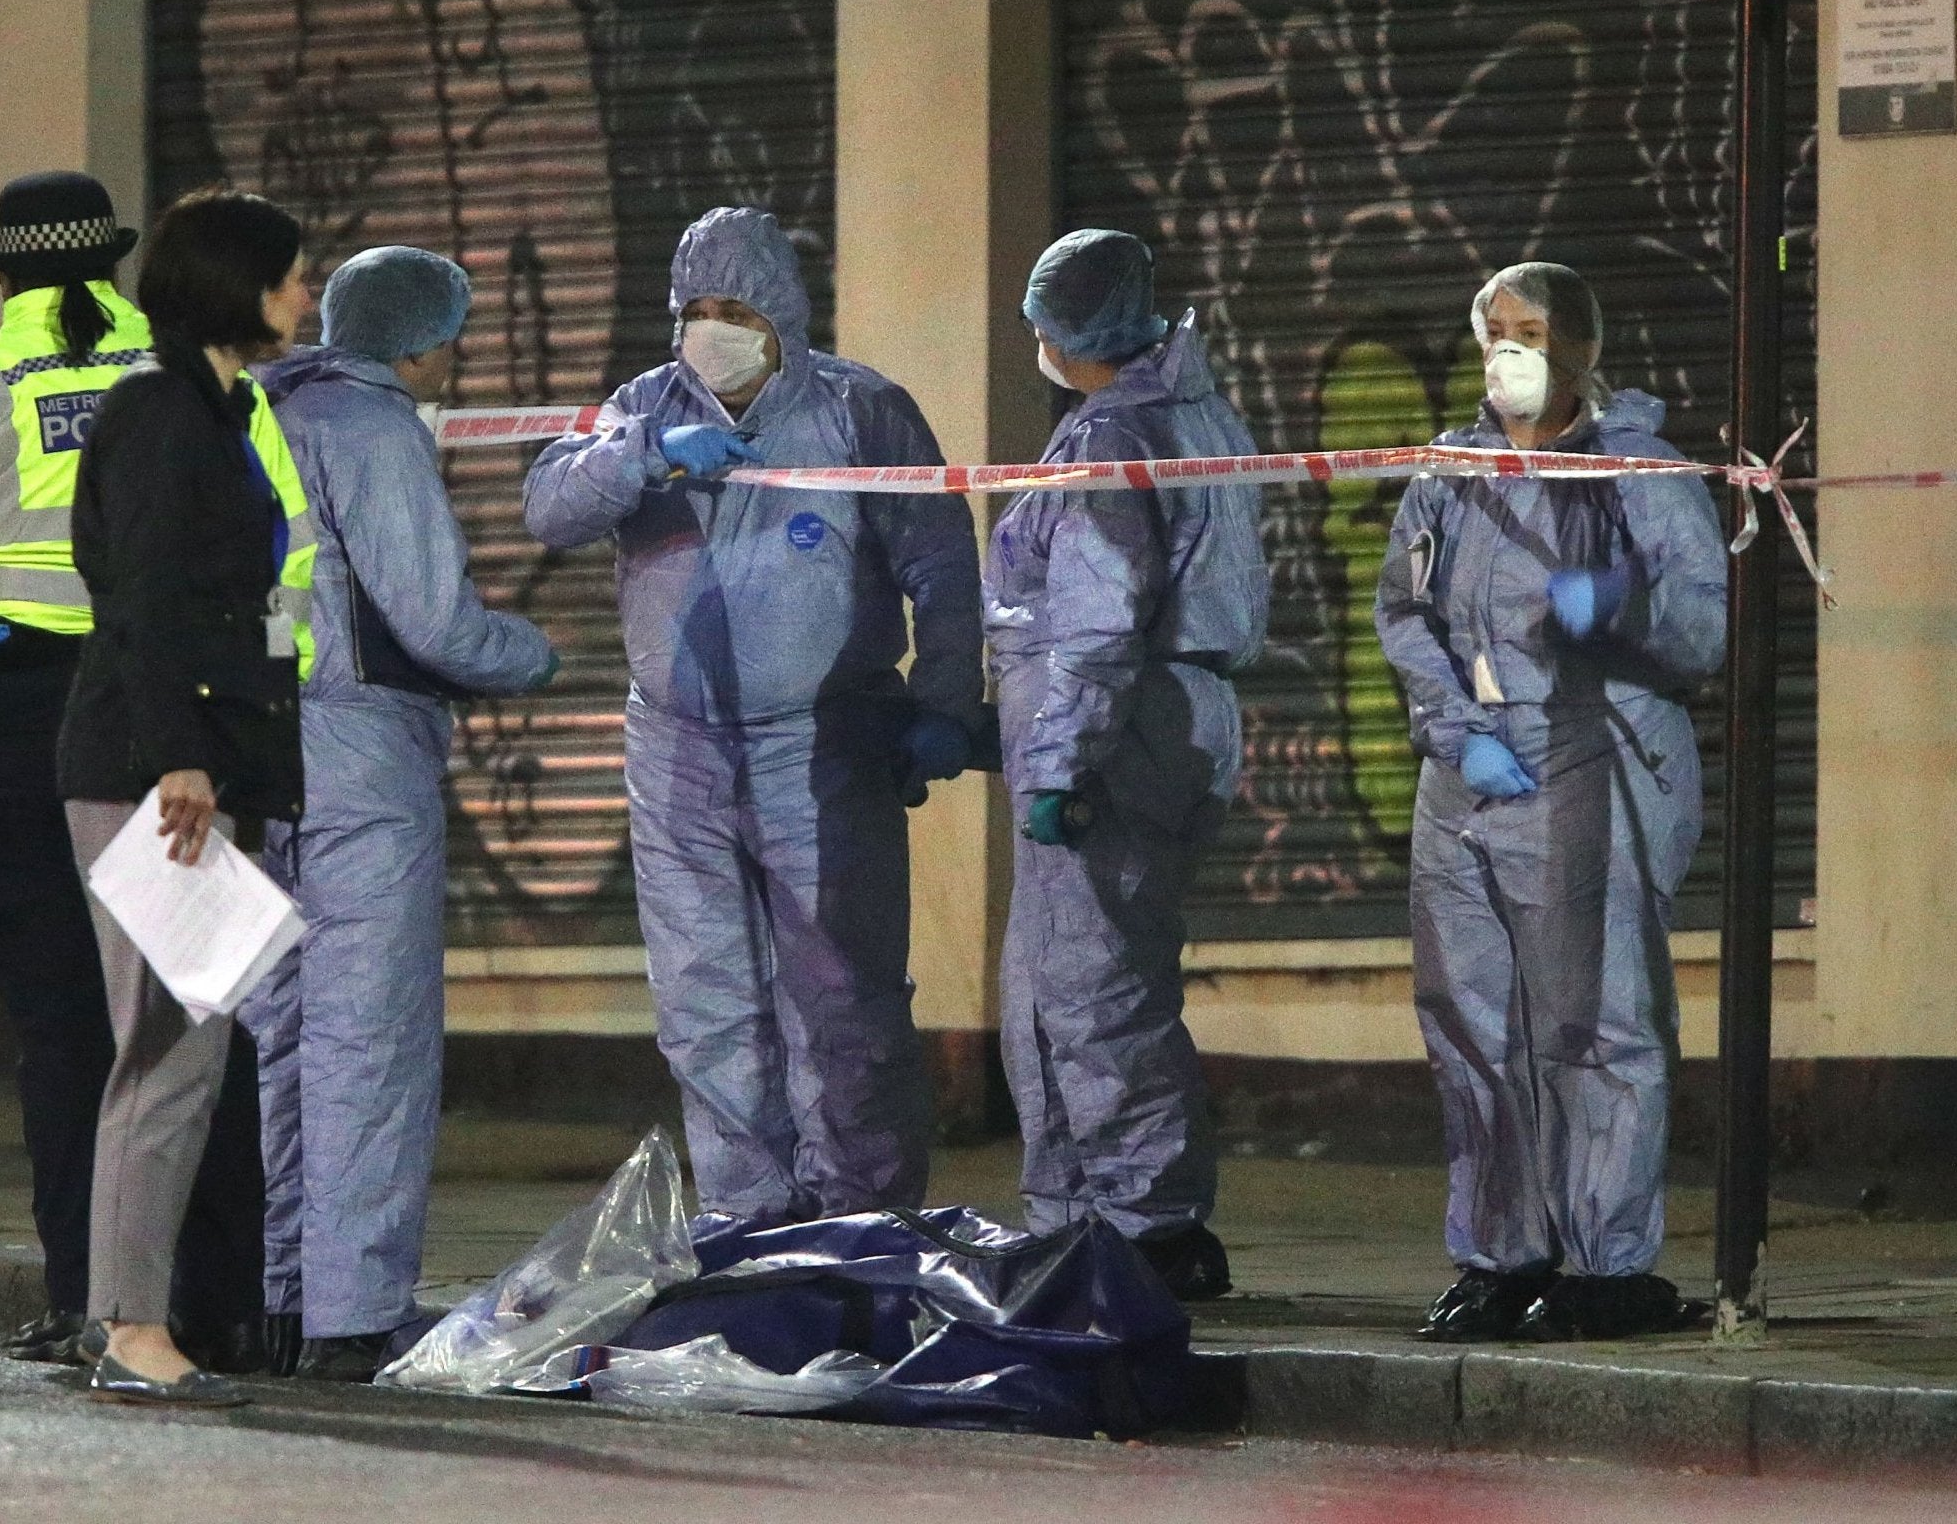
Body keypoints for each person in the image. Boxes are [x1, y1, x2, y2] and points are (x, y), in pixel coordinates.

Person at [0, 171, 270, 1370]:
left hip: (24, 726)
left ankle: (85, 1299)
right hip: (178, 724)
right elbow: (278, 539)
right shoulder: (193, 377)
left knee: (67, 1033)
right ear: (112, 261)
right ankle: (221, 1306)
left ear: (7, 271)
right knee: (198, 1020)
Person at [523, 206, 983, 1225]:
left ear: (783, 313)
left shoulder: (863, 412)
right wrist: (638, 459)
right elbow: (549, 507)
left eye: (734, 308)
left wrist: (946, 702)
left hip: (820, 746)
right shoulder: (641, 411)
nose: (711, 327)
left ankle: (860, 1220)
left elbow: (942, 566)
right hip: (677, 753)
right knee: (706, 1004)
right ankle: (746, 1221)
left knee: (842, 1001)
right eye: (694, 308)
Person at [1374, 261, 1726, 1343]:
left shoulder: (1640, 472)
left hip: (1595, 760)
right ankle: (1500, 1255)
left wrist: (1620, 608)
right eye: (1492, 330)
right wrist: (1453, 733)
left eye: (1529, 330)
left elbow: (1702, 632)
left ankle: (1608, 1265)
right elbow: (1405, 609)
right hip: (1468, 779)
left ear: (1580, 344)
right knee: (1471, 1022)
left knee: (1598, 1023)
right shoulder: (1448, 469)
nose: (1507, 351)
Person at [243, 247, 558, 1382]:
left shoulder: (263, 409)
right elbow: (433, 620)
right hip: (360, 761)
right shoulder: (375, 432)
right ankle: (353, 1314)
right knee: (366, 1046)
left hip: (258, 755)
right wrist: (532, 654)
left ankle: (276, 1302)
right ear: (422, 343)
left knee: (275, 1039)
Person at [56, 187, 318, 1406]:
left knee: (179, 1055)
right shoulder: (165, 417)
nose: (304, 295)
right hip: (155, 777)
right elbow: (146, 600)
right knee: (167, 1058)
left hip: (191, 769)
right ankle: (129, 1326)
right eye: (290, 276)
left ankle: (126, 1317)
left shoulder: (218, 410)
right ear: (237, 288)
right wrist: (181, 757)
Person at [985, 229, 1268, 1301]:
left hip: (1120, 729)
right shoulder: (1188, 411)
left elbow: (1098, 620)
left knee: (1094, 989)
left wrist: (1056, 760)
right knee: (1060, 984)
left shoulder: (1114, 435)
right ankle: (1082, 1216)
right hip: (1156, 718)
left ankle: (1143, 1224)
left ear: (1063, 327)